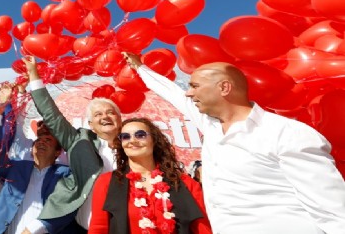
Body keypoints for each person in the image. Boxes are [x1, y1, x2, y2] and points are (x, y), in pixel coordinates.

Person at [125, 54, 345, 233]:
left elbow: (332, 208)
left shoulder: (286, 133)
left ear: (224, 88)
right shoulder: (210, 126)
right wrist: (141, 68)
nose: (189, 93)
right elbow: (174, 94)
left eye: (195, 86)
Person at [23, 55, 122, 232]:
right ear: (90, 125)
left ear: (119, 120)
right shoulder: (79, 141)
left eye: (110, 113)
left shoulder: (134, 147)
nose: (105, 116)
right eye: (98, 115)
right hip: (83, 228)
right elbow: (51, 115)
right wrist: (33, 74)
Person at [0, 83, 77, 234]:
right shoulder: (17, 168)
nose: (41, 142)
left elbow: (66, 207)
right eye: (39, 141)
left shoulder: (66, 174)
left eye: (48, 141)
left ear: (58, 152)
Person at [89, 117, 211, 234]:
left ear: (154, 140)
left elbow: (202, 228)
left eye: (140, 135)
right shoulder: (107, 182)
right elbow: (99, 228)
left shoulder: (184, 182)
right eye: (125, 137)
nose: (132, 140)